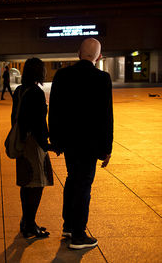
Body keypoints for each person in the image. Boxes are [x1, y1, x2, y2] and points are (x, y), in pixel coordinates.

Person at [48, 38, 113, 249]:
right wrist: (106, 149)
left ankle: (68, 225)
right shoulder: (102, 78)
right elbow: (106, 117)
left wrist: (56, 140)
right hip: (90, 144)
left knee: (73, 179)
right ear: (99, 57)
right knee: (83, 185)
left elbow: (54, 111)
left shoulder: (62, 76)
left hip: (69, 142)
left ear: (78, 53)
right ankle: (78, 234)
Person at [11, 58, 54, 238]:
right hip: (33, 144)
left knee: (27, 183)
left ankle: (27, 221)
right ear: (39, 72)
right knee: (37, 184)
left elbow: (15, 117)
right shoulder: (36, 92)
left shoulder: (20, 91)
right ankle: (30, 224)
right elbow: (39, 124)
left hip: (22, 141)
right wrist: (48, 145)